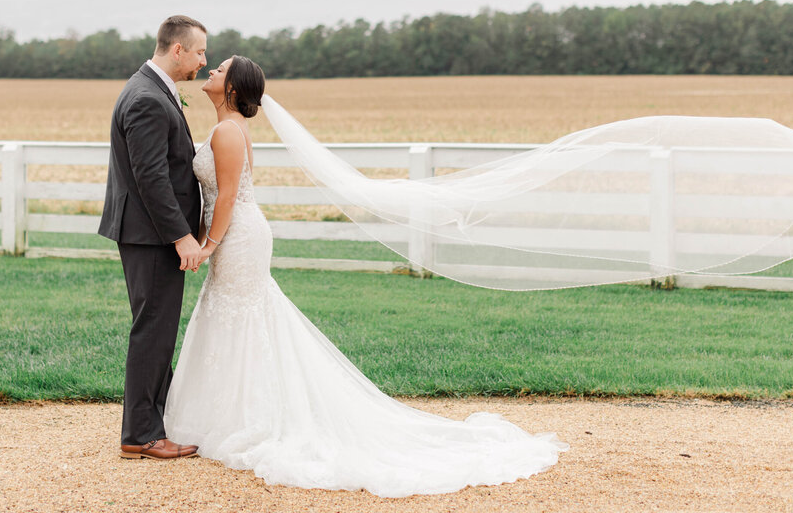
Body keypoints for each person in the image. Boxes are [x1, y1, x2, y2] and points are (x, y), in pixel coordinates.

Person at [163, 56, 568, 496]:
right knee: (238, 319)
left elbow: (224, 199)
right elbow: (216, 197)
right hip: (238, 234)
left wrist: (208, 245)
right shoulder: (229, 128)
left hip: (238, 237)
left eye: (219, 70)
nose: (211, 72)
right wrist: (205, 237)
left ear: (234, 90)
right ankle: (234, 412)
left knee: (241, 318)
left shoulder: (227, 131)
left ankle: (245, 417)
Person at [98, 14, 208, 461]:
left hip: (149, 234)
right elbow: (152, 178)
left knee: (157, 329)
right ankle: (141, 435)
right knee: (153, 331)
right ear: (177, 49)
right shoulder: (146, 97)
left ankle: (150, 424)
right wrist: (181, 236)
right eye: (200, 51)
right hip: (151, 236)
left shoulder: (151, 88)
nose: (205, 60)